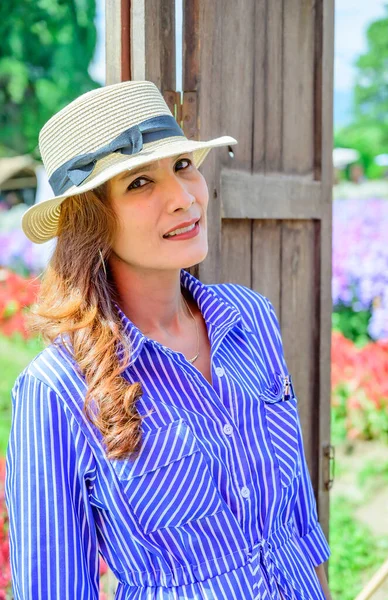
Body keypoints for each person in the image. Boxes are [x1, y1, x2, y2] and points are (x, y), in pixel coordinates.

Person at [5, 80, 332, 600]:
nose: (183, 199)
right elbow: (52, 586)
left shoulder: (250, 318)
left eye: (182, 166)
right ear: (92, 219)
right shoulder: (58, 390)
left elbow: (296, 527)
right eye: (138, 183)